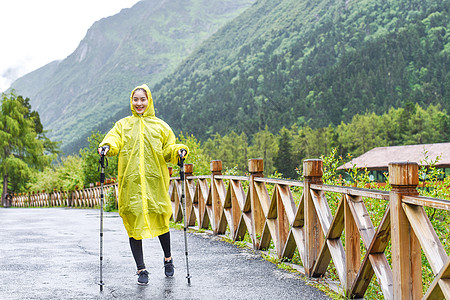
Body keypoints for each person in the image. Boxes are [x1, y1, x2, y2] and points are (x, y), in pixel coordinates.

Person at [98, 84, 188, 286]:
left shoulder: (161, 126)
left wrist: (180, 150)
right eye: (135, 99)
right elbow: (114, 140)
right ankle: (141, 268)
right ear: (131, 101)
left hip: (155, 182)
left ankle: (168, 259)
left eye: (143, 99)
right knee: (133, 223)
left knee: (161, 217)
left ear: (149, 101)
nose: (139, 103)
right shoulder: (123, 125)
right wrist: (106, 146)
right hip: (131, 184)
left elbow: (169, 150)